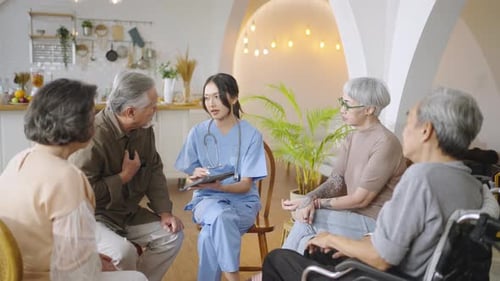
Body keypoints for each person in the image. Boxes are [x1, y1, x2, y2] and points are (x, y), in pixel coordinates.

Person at [262, 87, 500, 281]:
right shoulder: (472, 183)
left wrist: (331, 238)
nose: (404, 131)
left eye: (409, 123)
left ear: (426, 130)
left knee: (278, 259)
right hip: (407, 271)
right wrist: (345, 244)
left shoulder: (421, 177)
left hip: (385, 275)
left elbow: (381, 258)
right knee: (320, 252)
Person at [0, 78, 147, 281]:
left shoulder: (18, 160)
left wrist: (92, 259)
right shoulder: (67, 177)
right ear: (76, 123)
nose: (95, 119)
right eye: (91, 114)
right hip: (47, 276)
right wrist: (96, 265)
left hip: (13, 273)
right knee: (137, 278)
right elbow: (73, 269)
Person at [70, 71, 184, 281]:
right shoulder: (92, 137)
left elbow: (154, 170)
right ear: (131, 111)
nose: (155, 109)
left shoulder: (143, 129)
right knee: (124, 252)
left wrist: (165, 212)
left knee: (172, 235)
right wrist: (123, 177)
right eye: (152, 105)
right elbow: (81, 194)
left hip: (127, 212)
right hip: (93, 216)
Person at [281, 77, 407, 254]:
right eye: (342, 102)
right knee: (304, 238)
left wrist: (315, 204)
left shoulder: (385, 142)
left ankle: (270, 273)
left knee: (309, 219)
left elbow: (361, 199)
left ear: (369, 109)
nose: (342, 110)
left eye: (348, 105)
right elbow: (336, 181)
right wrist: (308, 198)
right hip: (352, 216)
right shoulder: (352, 137)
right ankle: (281, 271)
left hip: (376, 223)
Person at [175, 73, 267, 281]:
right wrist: (194, 178)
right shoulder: (198, 133)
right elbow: (185, 182)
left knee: (209, 235)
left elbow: (245, 186)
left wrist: (220, 187)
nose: (211, 104)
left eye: (217, 96)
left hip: (242, 203)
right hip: (207, 202)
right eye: (207, 98)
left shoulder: (251, 135)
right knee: (220, 215)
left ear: (233, 98)